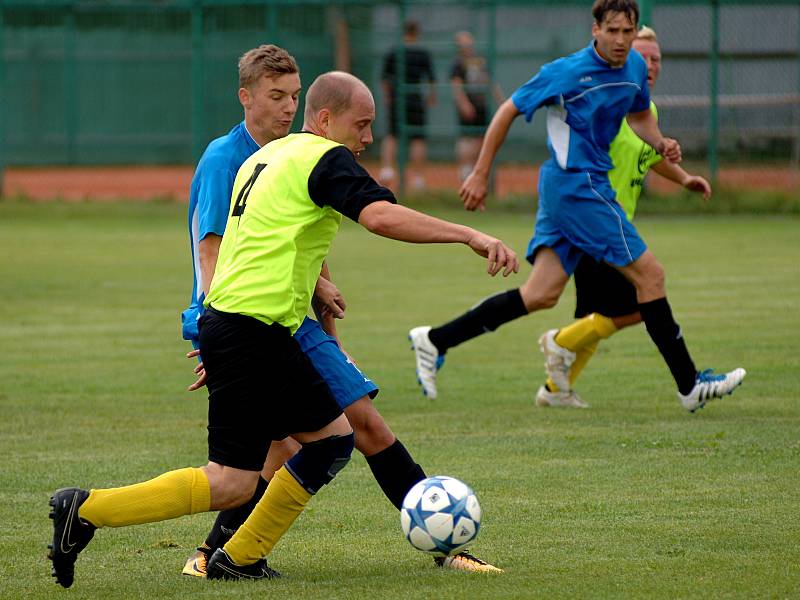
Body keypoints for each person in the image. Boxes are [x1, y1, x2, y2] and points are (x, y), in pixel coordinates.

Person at [47, 70, 518, 588]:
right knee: (333, 439)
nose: (366, 139)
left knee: (230, 481)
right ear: (325, 120)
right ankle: (236, 554)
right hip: (255, 329)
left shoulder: (269, 157)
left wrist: (310, 297)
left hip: (230, 324)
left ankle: (87, 509)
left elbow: (273, 237)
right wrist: (468, 234)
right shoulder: (322, 157)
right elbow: (382, 218)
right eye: (361, 126)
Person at [179, 45, 501, 576]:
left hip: (291, 318)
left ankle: (445, 544)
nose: (287, 107)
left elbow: (302, 238)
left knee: (359, 426)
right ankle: (214, 552)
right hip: (244, 320)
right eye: (276, 96)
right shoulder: (226, 157)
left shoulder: (292, 150)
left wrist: (322, 291)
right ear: (246, 97)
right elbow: (212, 251)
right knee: (282, 447)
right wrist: (216, 334)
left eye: (293, 96)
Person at [408, 0, 745, 412]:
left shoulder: (634, 69)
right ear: (595, 30)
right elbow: (507, 110)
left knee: (541, 294)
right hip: (578, 186)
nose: (621, 41)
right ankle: (690, 385)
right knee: (651, 277)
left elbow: (640, 117)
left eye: (628, 31)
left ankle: (435, 339)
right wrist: (480, 173)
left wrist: (660, 144)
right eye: (613, 31)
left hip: (576, 185)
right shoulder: (565, 72)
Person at [535, 26, 715, 408]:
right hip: (592, 220)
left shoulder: (642, 108)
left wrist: (683, 178)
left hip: (613, 224)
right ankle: (560, 346)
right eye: (643, 56)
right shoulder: (614, 103)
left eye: (657, 59)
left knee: (604, 314)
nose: (650, 65)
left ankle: (555, 388)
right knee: (638, 304)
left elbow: (649, 157)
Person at [379, 20, 436, 191]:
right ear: (417, 33)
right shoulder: (422, 53)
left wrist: (387, 97)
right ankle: (418, 177)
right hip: (415, 98)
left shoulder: (393, 52)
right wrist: (431, 96)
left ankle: (388, 169)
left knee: (392, 135)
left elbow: (384, 80)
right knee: (417, 138)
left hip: (397, 98)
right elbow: (431, 79)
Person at [450, 31, 503, 182]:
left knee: (482, 138)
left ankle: (476, 170)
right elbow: (457, 86)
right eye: (462, 41)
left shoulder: (479, 61)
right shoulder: (458, 63)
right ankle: (465, 170)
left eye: (468, 40)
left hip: (481, 106)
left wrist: (501, 101)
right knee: (467, 138)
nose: (467, 44)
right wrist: (464, 104)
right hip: (469, 107)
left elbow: (490, 81)